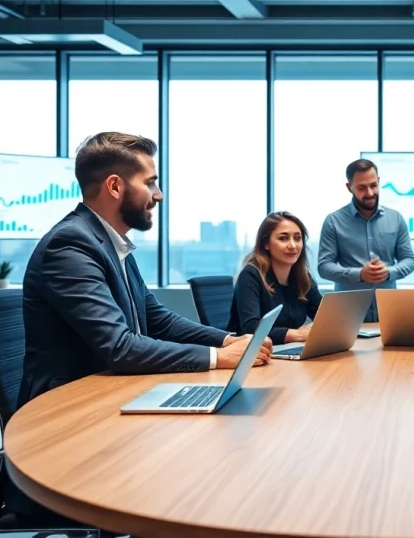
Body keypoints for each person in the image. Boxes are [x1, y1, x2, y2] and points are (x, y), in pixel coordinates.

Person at [14, 132, 271, 526]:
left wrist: (228, 339)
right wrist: (219, 358)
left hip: (112, 396)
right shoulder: (71, 246)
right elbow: (119, 347)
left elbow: (156, 319)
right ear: (115, 186)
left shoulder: (109, 242)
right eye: (150, 182)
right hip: (70, 426)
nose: (159, 194)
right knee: (209, 469)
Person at [318, 158, 414, 322]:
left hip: (389, 310)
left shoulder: (396, 219)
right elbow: (324, 267)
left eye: (373, 185)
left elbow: (409, 260)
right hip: (347, 314)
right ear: (349, 187)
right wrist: (359, 275)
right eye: (362, 188)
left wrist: (388, 272)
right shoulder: (333, 222)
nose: (370, 193)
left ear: (378, 181)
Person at [228, 211, 323, 346]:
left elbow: (324, 317)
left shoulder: (303, 277)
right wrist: (296, 334)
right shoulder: (251, 275)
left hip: (286, 351)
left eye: (297, 238)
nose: (293, 245)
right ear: (266, 243)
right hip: (251, 355)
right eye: (283, 238)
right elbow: (250, 328)